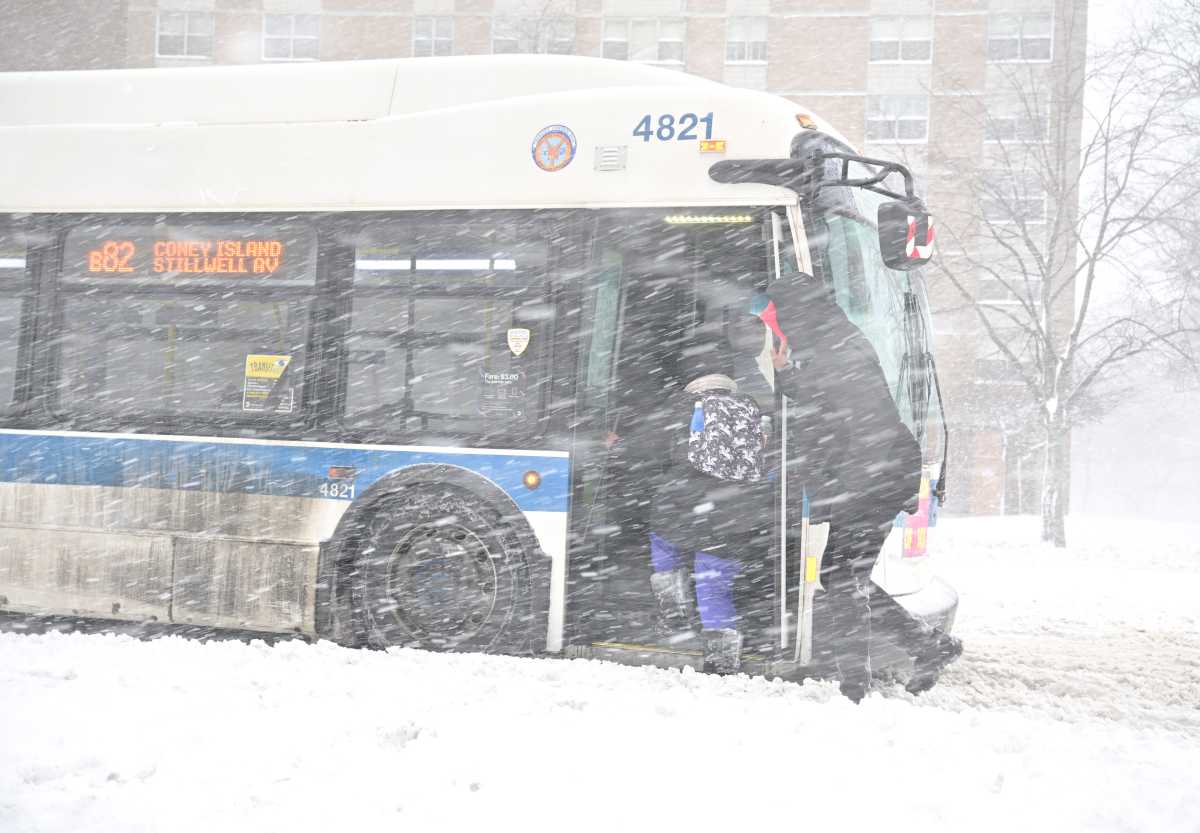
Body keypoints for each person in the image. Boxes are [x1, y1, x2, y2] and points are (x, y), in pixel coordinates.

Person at [750, 275, 961, 701]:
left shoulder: (835, 349)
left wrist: (844, 484)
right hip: (873, 474)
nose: (776, 327)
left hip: (874, 476)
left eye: (777, 317)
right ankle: (927, 647)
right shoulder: (833, 339)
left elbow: (855, 416)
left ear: (795, 313)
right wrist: (787, 373)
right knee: (842, 576)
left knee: (843, 579)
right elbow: (828, 401)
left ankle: (855, 687)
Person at [642, 337, 771, 675]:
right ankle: (722, 659)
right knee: (714, 583)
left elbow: (648, 449)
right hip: (736, 512)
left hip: (681, 505)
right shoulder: (749, 406)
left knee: (662, 543)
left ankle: (674, 610)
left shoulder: (681, 405)